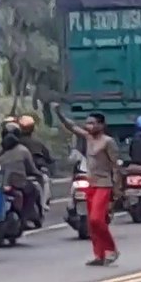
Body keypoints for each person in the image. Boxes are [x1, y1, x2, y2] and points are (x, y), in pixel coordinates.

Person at [53, 105, 120, 266]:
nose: (88, 126)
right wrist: (58, 113)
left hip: (103, 184)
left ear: (101, 125)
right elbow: (71, 126)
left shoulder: (108, 142)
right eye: (87, 123)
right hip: (90, 183)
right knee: (91, 222)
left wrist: (117, 188)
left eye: (92, 123)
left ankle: (111, 250)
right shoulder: (88, 138)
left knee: (97, 219)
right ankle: (99, 255)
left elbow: (116, 166)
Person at [0, 122, 43, 224]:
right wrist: (38, 174)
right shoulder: (23, 150)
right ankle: (26, 216)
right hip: (15, 185)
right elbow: (31, 169)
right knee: (34, 190)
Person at [16, 114, 55, 211]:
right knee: (45, 179)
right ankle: (43, 204)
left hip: (28, 171)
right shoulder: (37, 142)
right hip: (26, 171)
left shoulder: (15, 142)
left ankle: (42, 204)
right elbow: (49, 158)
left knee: (44, 179)